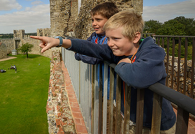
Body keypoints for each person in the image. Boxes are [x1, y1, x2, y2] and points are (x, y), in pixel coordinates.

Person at [30, 10, 176, 133]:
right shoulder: (120, 50)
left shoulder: (152, 52)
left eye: (115, 39)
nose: (109, 43)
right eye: (108, 38)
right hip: (133, 119)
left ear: (136, 37)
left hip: (157, 124)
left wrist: (120, 65)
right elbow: (91, 48)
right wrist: (60, 42)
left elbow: (137, 77)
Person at [74, 2, 118, 100]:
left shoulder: (112, 39)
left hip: (113, 88)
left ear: (111, 21)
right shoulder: (94, 36)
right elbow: (84, 47)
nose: (94, 23)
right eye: (92, 20)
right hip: (101, 84)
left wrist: (78, 54)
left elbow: (94, 58)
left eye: (98, 20)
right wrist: (79, 51)